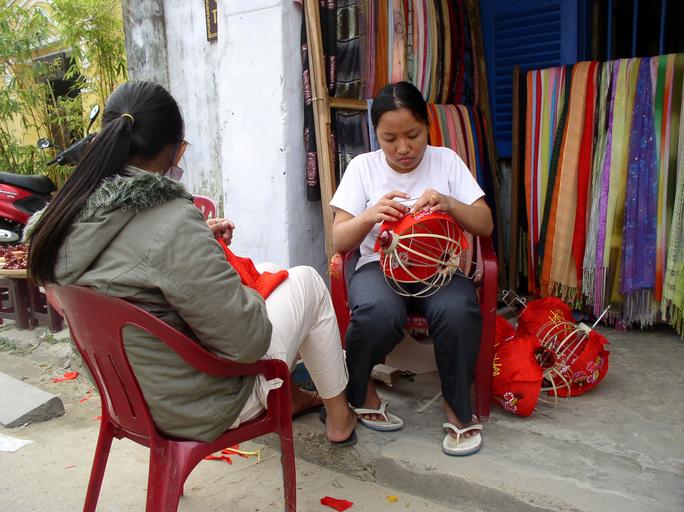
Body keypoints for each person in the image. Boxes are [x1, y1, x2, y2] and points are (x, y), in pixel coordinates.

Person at [26, 80, 356, 446]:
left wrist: (197, 241)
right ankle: (340, 419)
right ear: (175, 151)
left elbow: (130, 263)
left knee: (267, 275)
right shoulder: (169, 218)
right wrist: (235, 282)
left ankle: (291, 397)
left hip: (126, 398)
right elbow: (247, 342)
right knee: (306, 281)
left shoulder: (63, 218)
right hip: (198, 406)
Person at [330, 81, 493, 456]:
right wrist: (370, 215)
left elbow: (484, 223)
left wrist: (449, 203)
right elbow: (339, 240)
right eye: (389, 139)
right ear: (376, 134)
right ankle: (361, 391)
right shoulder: (362, 168)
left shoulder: (446, 161)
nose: (403, 148)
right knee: (376, 313)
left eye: (413, 135)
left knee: (458, 310)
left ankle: (457, 405)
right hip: (380, 267)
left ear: (427, 126)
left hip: (438, 268)